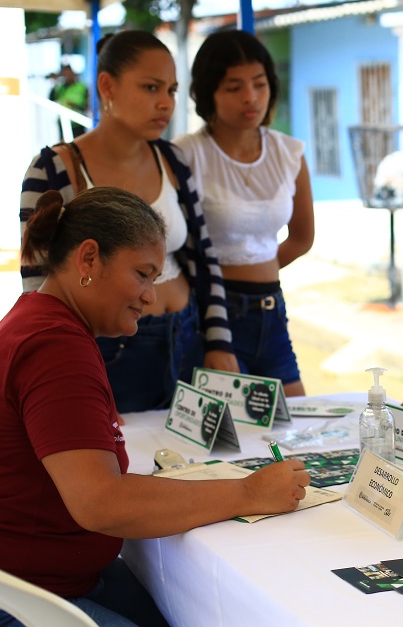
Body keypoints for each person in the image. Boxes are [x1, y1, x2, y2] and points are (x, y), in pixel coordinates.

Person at [0, 188, 310, 627]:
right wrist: (247, 494)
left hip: (55, 577)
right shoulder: (54, 345)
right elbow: (100, 502)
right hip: (27, 597)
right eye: (143, 274)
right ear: (88, 259)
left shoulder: (44, 323)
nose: (151, 296)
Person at [21, 30, 239, 413]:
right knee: (121, 468)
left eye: (171, 90)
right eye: (151, 87)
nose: (165, 104)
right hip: (106, 355)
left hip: (188, 337)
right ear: (108, 86)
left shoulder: (173, 160)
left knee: (196, 470)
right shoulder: (54, 169)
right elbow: (37, 283)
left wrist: (218, 342)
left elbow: (205, 257)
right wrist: (68, 370)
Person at [174, 30, 314, 396]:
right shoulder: (186, 154)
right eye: (233, 87)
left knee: (298, 428)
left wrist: (260, 272)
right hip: (210, 317)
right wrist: (223, 288)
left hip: (271, 309)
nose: (251, 97)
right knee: (226, 441)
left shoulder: (289, 153)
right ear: (208, 93)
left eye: (259, 83)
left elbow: (302, 238)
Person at [49, 63, 88, 138]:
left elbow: (86, 105)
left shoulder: (81, 86)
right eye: (65, 73)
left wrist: (74, 105)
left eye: (69, 73)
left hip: (78, 123)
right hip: (63, 123)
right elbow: (51, 99)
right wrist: (54, 82)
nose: (67, 75)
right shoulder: (60, 88)